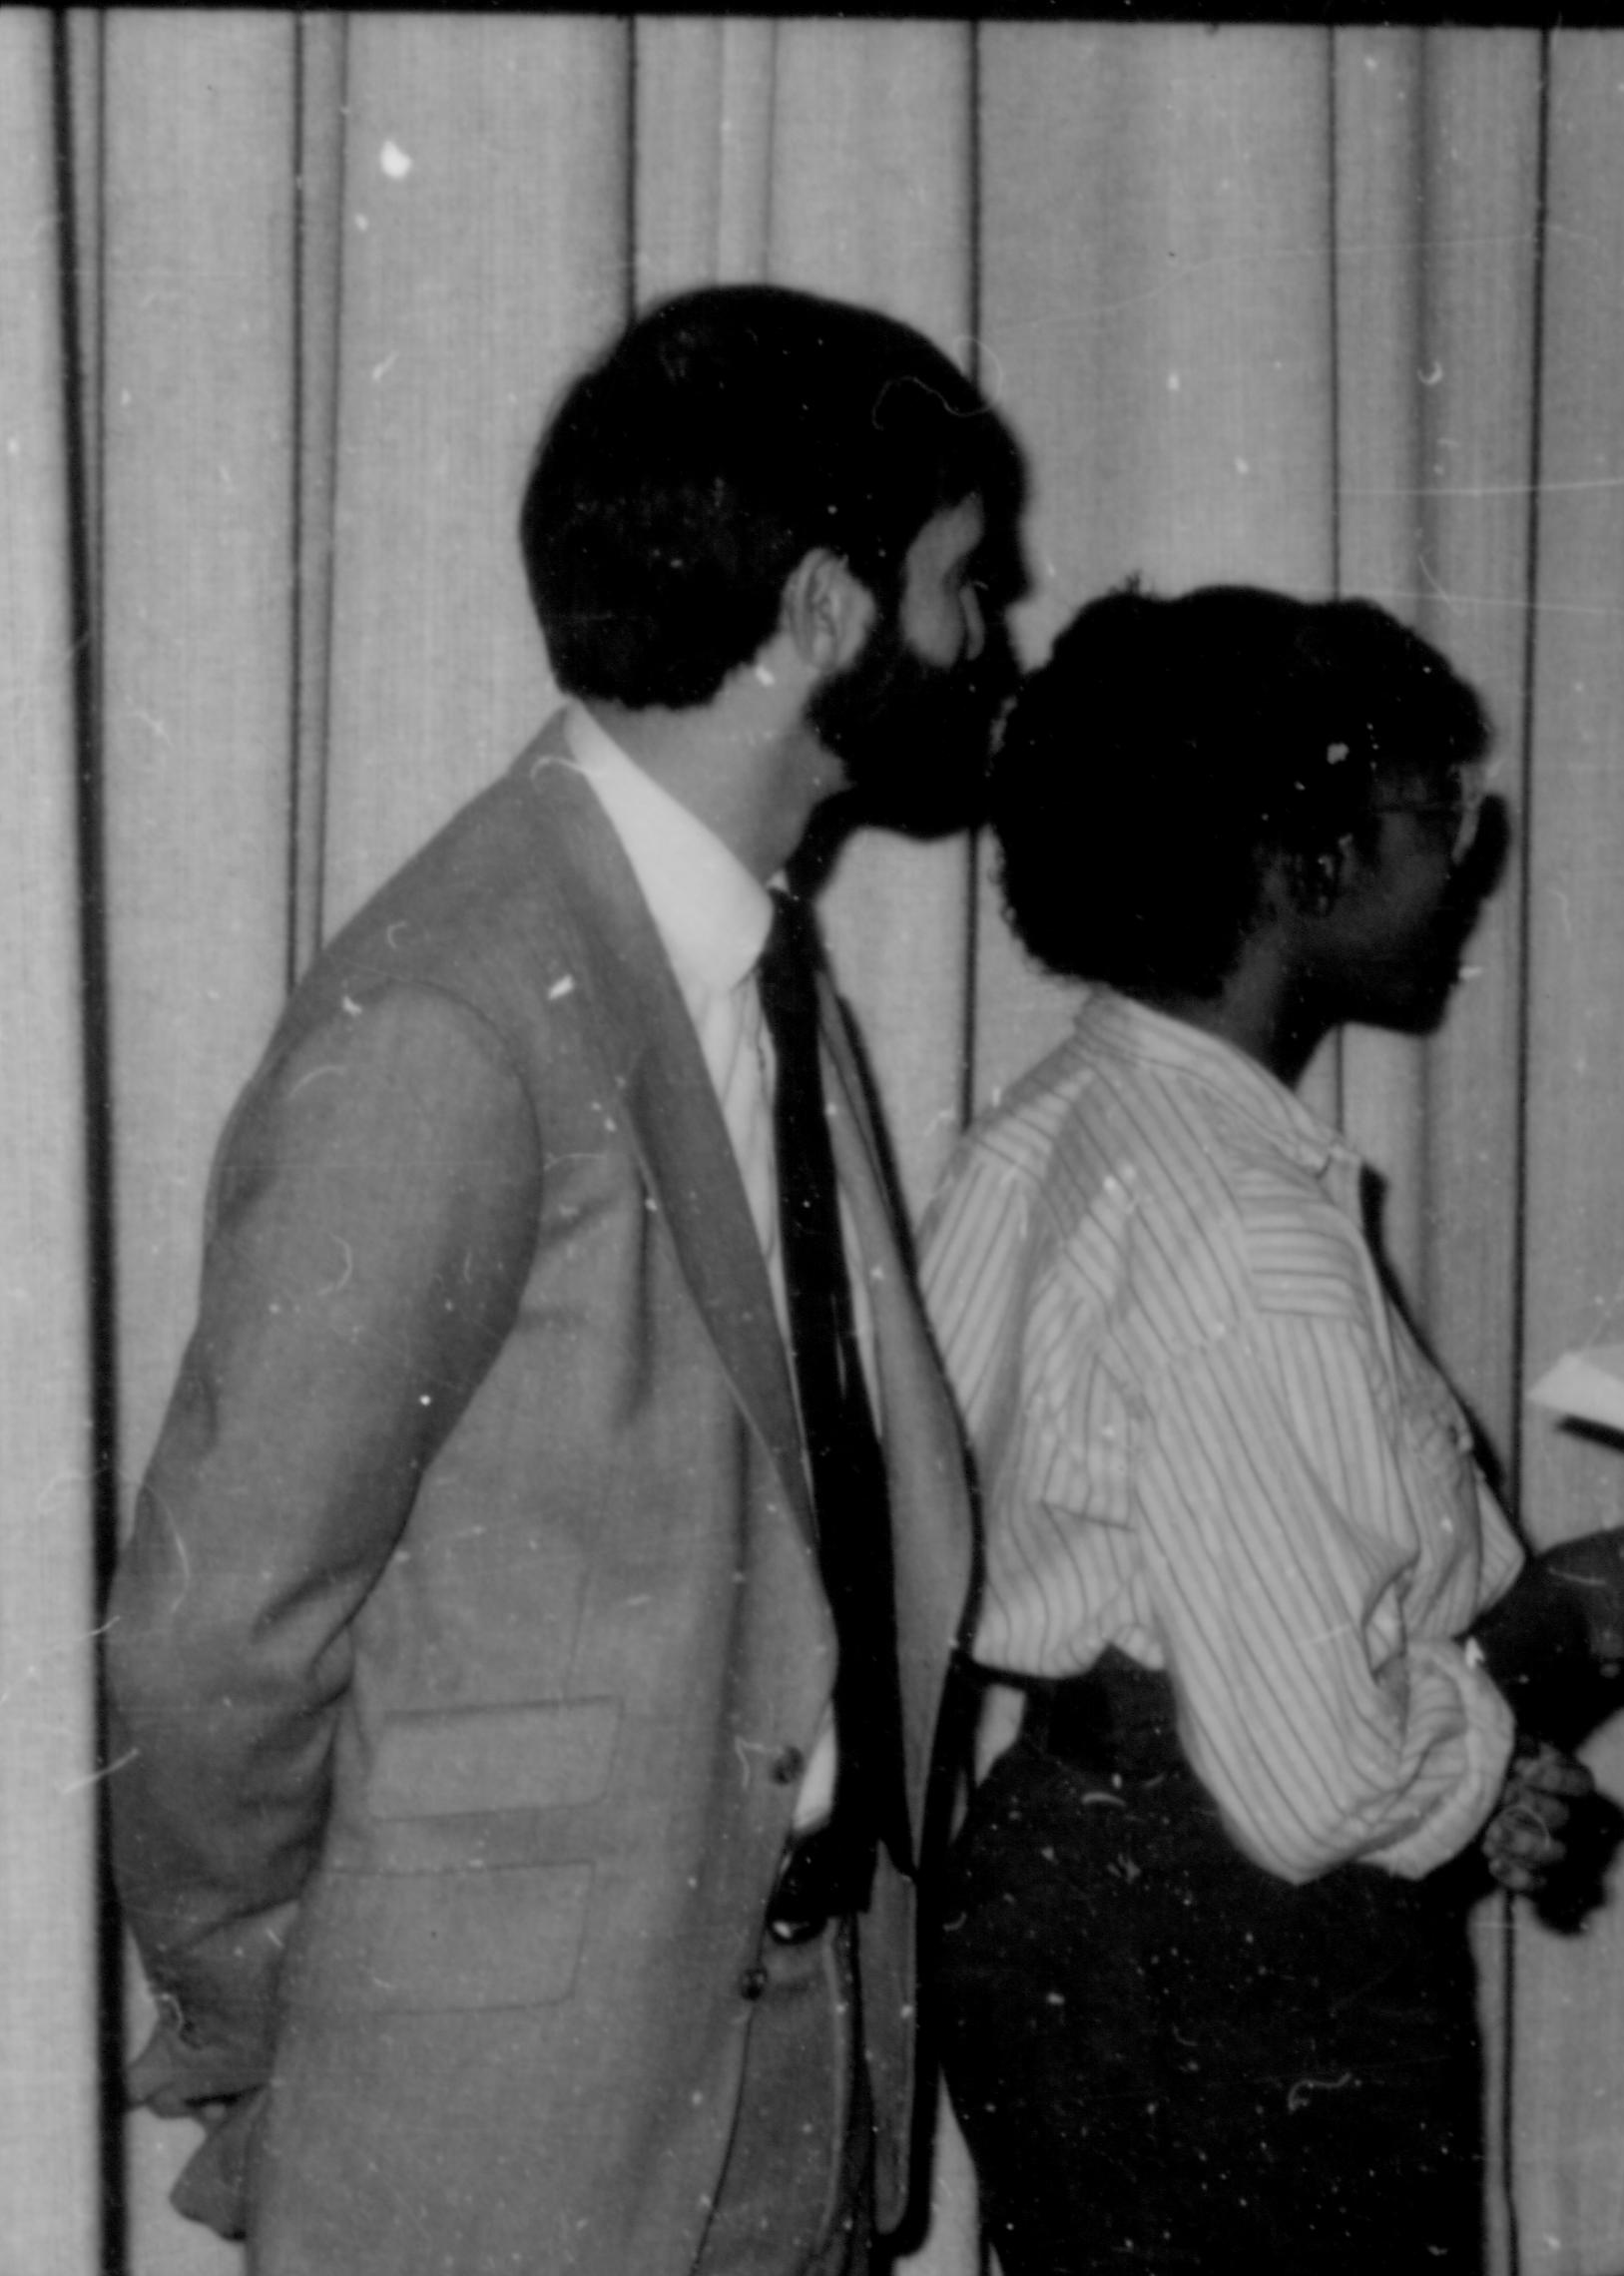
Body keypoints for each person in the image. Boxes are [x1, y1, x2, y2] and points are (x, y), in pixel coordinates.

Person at [105, 282, 1026, 2276]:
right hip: (508, 2158)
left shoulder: (766, 977)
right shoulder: (453, 1010)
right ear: (821, 612)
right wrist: (321, 2027)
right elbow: (216, 1640)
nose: (991, 643)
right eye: (965, 585)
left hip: (803, 2090)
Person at [917, 583, 1624, 2276]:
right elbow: (1307, 1781)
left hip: (1074, 1863)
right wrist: (1585, 1612)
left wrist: (1463, 1769)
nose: (1464, 860)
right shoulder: (1243, 1231)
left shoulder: (1055, 1127)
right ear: (1302, 862)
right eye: (1438, 813)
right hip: (1231, 1960)